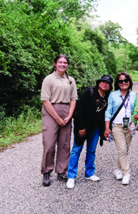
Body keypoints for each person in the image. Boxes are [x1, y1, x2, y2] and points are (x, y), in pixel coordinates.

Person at [66, 75, 113, 189]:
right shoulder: (90, 92)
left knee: (91, 150)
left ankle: (89, 173)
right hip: (83, 126)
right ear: (99, 82)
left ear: (110, 86)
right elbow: (79, 110)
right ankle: (71, 176)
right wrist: (81, 127)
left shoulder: (108, 96)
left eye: (107, 83)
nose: (104, 84)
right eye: (103, 81)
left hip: (95, 128)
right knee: (76, 149)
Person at [40, 54, 77, 187]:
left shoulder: (70, 80)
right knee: (49, 143)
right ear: (55, 64)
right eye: (60, 62)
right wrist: (56, 117)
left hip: (66, 110)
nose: (63, 64)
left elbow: (73, 99)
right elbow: (45, 100)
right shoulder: (49, 79)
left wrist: (70, 115)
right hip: (51, 111)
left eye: (65, 62)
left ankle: (62, 171)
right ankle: (47, 171)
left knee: (64, 143)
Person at [104, 72, 137, 185]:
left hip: (129, 126)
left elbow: (135, 111)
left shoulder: (133, 95)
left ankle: (117, 168)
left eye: (126, 80)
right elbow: (108, 112)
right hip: (117, 126)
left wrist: (134, 122)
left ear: (129, 82)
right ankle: (126, 173)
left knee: (125, 150)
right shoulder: (113, 95)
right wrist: (107, 128)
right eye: (121, 81)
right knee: (122, 149)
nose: (124, 83)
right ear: (117, 83)